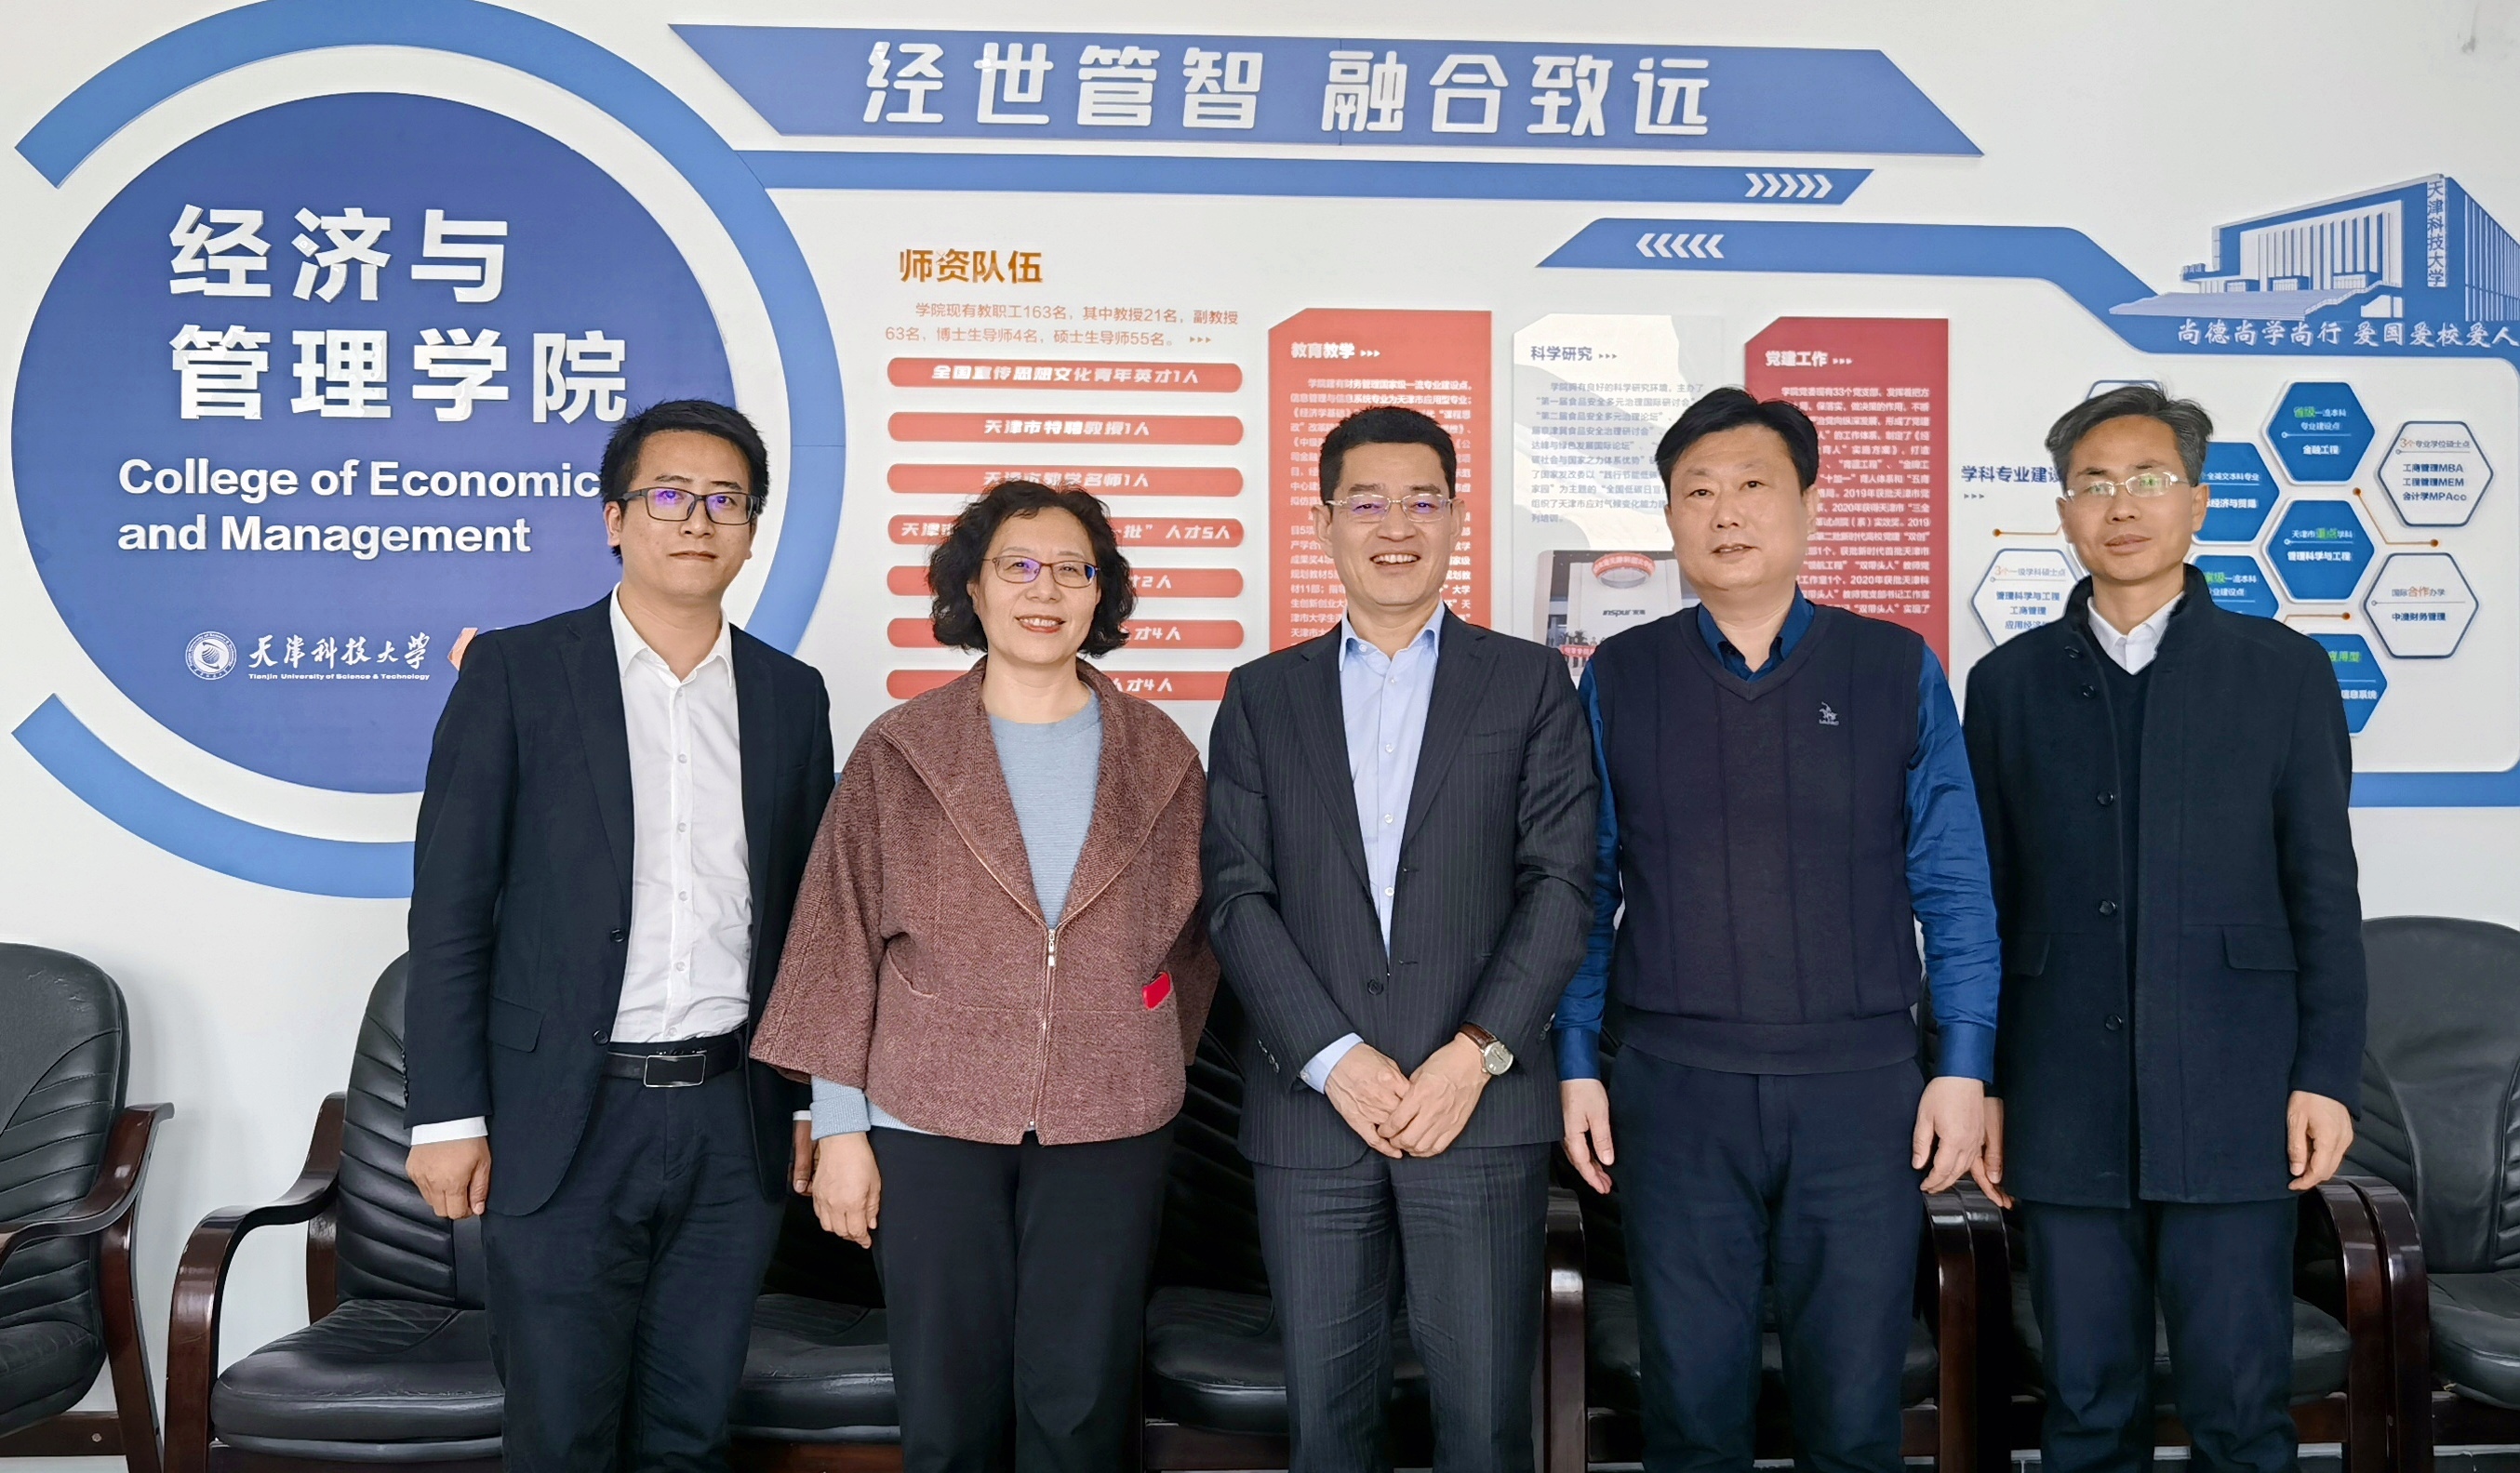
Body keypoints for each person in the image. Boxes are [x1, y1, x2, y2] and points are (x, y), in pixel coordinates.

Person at [1553, 387, 2002, 1473]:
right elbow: (1582, 885)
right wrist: (1576, 1063)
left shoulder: (1894, 667)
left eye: (1754, 484)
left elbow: (1953, 882)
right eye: (1697, 492)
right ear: (1670, 518)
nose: (1726, 512)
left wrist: (1962, 1065)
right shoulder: (1622, 676)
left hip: (1859, 1092)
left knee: (1853, 1417)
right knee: (1691, 1414)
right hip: (1676, 1090)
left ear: (1809, 504)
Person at [750, 479, 1216, 1473]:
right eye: (1018, 566)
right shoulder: (901, 750)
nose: (1044, 590)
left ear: (1101, 594)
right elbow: (838, 938)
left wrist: (1127, 1037)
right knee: (949, 1409)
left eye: (1073, 569)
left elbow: (1191, 943)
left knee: (1082, 1410)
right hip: (927, 1125)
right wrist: (841, 1128)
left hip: (1111, 1123)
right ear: (974, 587)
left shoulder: (1162, 755)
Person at [404, 399, 831, 1472]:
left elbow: (807, 920)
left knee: (692, 1432)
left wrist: (809, 1098)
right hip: (563, 1116)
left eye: (726, 500)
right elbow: (450, 910)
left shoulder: (790, 697)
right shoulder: (517, 672)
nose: (697, 520)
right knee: (561, 1433)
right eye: (670, 495)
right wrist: (446, 1115)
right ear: (615, 518)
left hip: (733, 1117)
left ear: (751, 528)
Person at [1964, 386, 2365, 1473]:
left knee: (2241, 1408)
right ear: (2064, 512)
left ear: (2198, 501)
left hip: (2237, 1092)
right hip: (2060, 1097)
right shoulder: (2005, 686)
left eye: (2148, 480)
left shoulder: (2282, 673)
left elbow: (2323, 893)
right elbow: (1983, 902)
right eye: (2093, 485)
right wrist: (1982, 1079)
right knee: (2086, 1408)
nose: (2121, 505)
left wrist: (2326, 1075)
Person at [1203, 405, 1597, 1473]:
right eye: (1367, 502)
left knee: (1485, 1428)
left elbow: (1562, 885)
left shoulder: (1528, 683)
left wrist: (1476, 1055)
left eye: (1423, 501)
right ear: (1325, 521)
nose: (1396, 525)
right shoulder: (1262, 696)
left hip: (1479, 1109)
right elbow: (1235, 897)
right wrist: (1334, 1058)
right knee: (1329, 1431)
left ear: (1456, 518)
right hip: (1311, 1115)